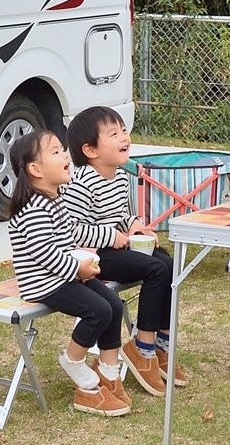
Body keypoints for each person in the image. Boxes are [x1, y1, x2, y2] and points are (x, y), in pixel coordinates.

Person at [60, 105, 185, 395]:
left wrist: (136, 225)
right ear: (90, 150)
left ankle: (161, 343)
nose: (123, 137)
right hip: (93, 255)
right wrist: (113, 236)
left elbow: (121, 215)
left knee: (167, 260)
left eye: (124, 130)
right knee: (155, 268)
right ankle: (142, 347)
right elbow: (71, 229)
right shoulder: (82, 184)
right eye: (113, 133)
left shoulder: (118, 177)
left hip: (116, 245)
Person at [5, 128, 131, 416]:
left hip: (65, 274)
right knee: (98, 310)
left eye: (63, 149)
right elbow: (44, 253)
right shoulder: (34, 207)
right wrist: (78, 268)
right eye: (56, 151)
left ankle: (109, 372)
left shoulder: (54, 198)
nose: (65, 155)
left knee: (112, 303)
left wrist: (86, 258)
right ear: (36, 170)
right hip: (44, 282)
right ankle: (73, 360)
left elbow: (68, 237)